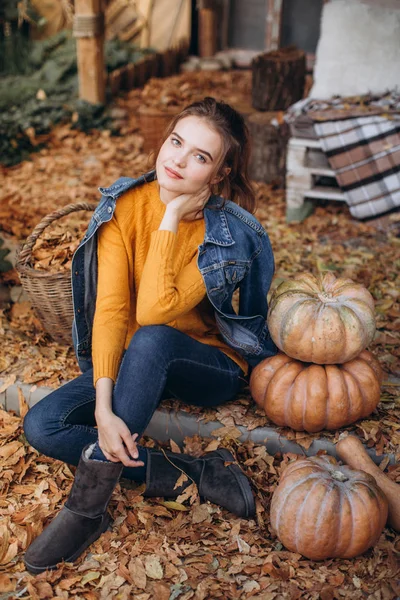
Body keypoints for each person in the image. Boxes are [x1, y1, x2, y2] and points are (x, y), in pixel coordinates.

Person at [23, 97, 277, 574]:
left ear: (219, 174)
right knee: (42, 426)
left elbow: (155, 311)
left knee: (153, 337)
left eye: (200, 156)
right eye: (176, 142)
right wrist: (102, 408)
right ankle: (195, 472)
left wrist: (171, 217)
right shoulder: (123, 207)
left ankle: (86, 511)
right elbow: (114, 311)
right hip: (138, 363)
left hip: (206, 363)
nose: (177, 160)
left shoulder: (226, 232)